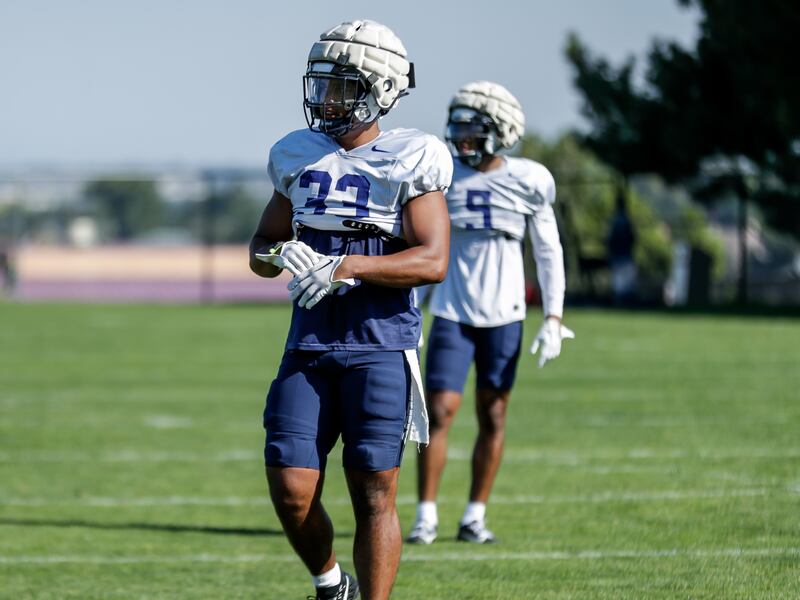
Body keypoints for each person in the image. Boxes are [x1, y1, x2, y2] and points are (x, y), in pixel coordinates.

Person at [249, 19, 452, 600]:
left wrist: (345, 266)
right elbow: (261, 246)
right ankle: (331, 582)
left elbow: (432, 259)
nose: (327, 99)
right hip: (308, 345)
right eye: (323, 85)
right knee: (291, 490)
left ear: (382, 90)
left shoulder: (412, 156)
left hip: (379, 345)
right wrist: (279, 254)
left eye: (343, 86)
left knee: (373, 493)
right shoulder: (296, 153)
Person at [406, 81, 574, 545]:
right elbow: (420, 247)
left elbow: (548, 251)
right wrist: (411, 309)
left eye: (471, 131)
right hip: (453, 312)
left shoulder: (529, 179)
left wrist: (554, 317)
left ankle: (474, 516)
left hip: (506, 315)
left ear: (500, 132)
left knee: (494, 414)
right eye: (457, 129)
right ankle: (426, 516)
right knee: (439, 411)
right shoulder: (441, 175)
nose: (461, 140)